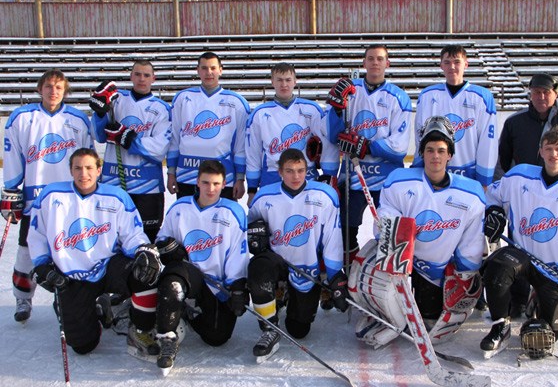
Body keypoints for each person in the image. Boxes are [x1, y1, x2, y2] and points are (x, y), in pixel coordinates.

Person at [353, 116, 486, 348]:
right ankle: (387, 314)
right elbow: (385, 222)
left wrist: (465, 274)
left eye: (441, 151)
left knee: (428, 319)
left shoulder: (471, 193)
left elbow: (471, 241)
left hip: (434, 271)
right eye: (430, 150)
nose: (435, 156)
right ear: (422, 153)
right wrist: (389, 233)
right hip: (402, 264)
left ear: (449, 155)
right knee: (378, 286)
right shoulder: (399, 182)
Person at [27, 148, 162, 357]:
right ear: (70, 170)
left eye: (89, 168)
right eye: (78, 168)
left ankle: (141, 330)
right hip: (70, 274)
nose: (84, 174)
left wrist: (143, 250)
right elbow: (36, 235)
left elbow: (132, 234)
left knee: (147, 273)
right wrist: (42, 265)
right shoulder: (51, 196)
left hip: (107, 265)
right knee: (82, 346)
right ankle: (97, 310)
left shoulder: (116, 197)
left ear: (99, 170)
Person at [480, 125, 558, 358]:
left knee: (549, 333)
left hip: (554, 268)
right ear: (541, 151)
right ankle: (500, 326)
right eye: (549, 148)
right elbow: (492, 194)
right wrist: (494, 211)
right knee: (496, 268)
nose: (554, 154)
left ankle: (538, 300)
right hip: (520, 256)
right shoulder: (519, 177)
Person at [1, 69, 93, 324]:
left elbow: (88, 158)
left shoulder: (78, 119)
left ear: (66, 92)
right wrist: (11, 189)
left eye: (59, 87)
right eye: (49, 86)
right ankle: (23, 298)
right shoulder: (22, 117)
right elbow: (12, 155)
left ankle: (70, 299)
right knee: (26, 251)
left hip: (69, 199)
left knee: (70, 249)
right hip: (35, 201)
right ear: (39, 89)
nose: (54, 91)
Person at [246, 149, 348, 359]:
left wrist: (335, 277)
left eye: (300, 170)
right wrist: (255, 239)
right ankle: (269, 328)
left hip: (306, 268)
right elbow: (248, 230)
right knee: (258, 267)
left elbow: (332, 238)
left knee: (299, 330)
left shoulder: (323, 196)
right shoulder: (264, 197)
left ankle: (288, 296)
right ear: (280, 172)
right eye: (289, 171)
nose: (296, 176)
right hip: (276, 262)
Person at [153, 159, 249, 375]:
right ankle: (167, 338)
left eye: (216, 184)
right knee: (173, 279)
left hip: (216, 282)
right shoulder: (180, 208)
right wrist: (169, 249)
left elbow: (238, 252)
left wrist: (237, 286)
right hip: (189, 274)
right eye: (206, 183)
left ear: (224, 184)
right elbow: (161, 239)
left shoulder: (233, 211)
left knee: (217, 337)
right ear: (197, 182)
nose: (210, 189)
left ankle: (185, 312)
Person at [325, 44, 412, 262]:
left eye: (380, 59)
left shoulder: (399, 97)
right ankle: (351, 273)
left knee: (388, 235)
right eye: (371, 58)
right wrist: (337, 110)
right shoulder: (350, 91)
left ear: (387, 63)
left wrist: (366, 146)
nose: (375, 62)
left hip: (387, 179)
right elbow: (333, 136)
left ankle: (386, 278)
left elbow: (399, 148)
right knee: (345, 233)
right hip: (353, 177)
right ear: (364, 63)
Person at [89, 60, 172, 243]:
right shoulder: (116, 100)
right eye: (138, 74)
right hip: (113, 183)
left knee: (147, 240)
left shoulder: (162, 108)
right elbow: (98, 135)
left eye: (146, 75)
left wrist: (127, 138)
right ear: (131, 76)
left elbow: (159, 149)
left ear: (153, 79)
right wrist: (100, 113)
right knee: (110, 238)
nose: (142, 79)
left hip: (147, 188)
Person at [245, 62, 339, 206]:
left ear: (295, 81)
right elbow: (253, 153)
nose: (284, 84)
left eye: (288, 80)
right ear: (272, 82)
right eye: (279, 80)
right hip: (272, 178)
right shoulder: (259, 114)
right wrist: (252, 189)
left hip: (306, 177)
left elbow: (327, 142)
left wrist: (329, 175)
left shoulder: (311, 109)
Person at [167, 51, 250, 201]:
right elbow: (174, 138)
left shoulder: (237, 102)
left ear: (220, 70)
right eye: (204, 68)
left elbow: (240, 145)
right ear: (198, 71)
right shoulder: (183, 98)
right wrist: (171, 172)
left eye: (213, 68)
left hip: (222, 177)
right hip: (186, 175)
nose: (209, 72)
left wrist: (240, 178)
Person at [413, 44, 498, 188]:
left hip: (469, 176)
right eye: (447, 62)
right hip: (433, 175)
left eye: (457, 62)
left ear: (466, 64)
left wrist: (484, 180)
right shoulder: (427, 96)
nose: (452, 67)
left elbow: (488, 143)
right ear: (441, 65)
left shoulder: (482, 97)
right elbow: (420, 138)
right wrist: (419, 169)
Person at [497, 73, 558, 180]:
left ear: (555, 94)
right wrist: (504, 184)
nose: (541, 97)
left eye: (546, 92)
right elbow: (501, 160)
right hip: (522, 187)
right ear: (531, 94)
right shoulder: (514, 122)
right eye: (537, 92)